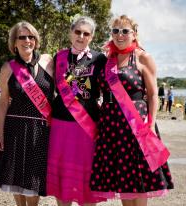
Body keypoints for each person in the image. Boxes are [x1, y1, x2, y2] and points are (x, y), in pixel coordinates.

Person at [90, 15, 173, 206]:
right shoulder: (105, 60)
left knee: (140, 181)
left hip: (137, 124)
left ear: (134, 34)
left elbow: (153, 96)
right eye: (115, 31)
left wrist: (151, 126)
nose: (120, 35)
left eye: (125, 31)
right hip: (111, 126)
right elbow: (88, 87)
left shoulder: (143, 57)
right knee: (124, 182)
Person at [0, 21, 54, 206]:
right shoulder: (7, 68)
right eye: (22, 37)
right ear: (14, 43)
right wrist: (0, 132)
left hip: (40, 130)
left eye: (31, 37)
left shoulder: (49, 62)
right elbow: (3, 103)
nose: (27, 40)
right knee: (15, 176)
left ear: (36, 40)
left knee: (34, 177)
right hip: (14, 129)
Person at [46, 16, 107, 206]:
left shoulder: (100, 59)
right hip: (60, 124)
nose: (81, 36)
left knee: (86, 175)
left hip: (87, 126)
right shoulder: (59, 57)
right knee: (63, 175)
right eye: (77, 32)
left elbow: (111, 90)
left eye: (86, 33)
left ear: (92, 37)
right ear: (71, 33)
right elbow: (46, 87)